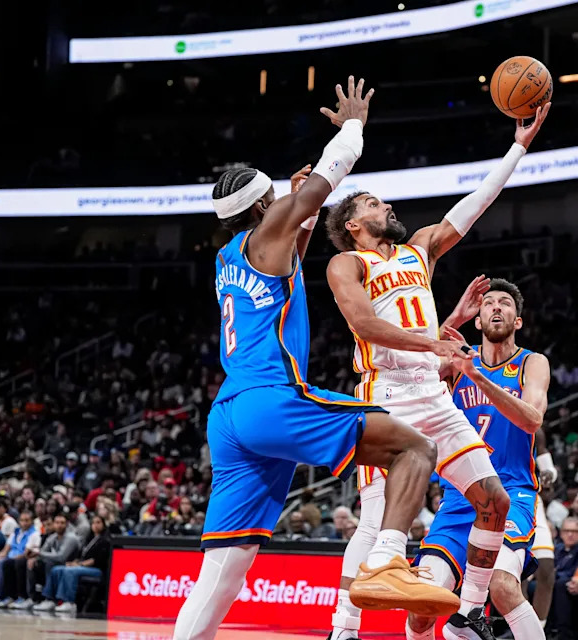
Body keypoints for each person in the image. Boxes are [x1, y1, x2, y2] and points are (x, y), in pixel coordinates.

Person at [173, 77, 459, 640]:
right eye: (275, 195)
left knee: (225, 569)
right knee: (416, 449)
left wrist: (301, 219)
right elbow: (333, 169)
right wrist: (352, 126)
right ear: (262, 203)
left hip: (229, 416)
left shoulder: (233, 253)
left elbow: (287, 254)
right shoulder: (270, 228)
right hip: (269, 398)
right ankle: (387, 564)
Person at [325, 103, 550, 640]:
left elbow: (474, 206)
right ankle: (343, 629)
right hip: (386, 396)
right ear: (355, 222)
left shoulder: (418, 251)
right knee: (376, 518)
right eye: (376, 202)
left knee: (493, 502)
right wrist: (434, 341)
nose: (389, 205)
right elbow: (365, 324)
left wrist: (518, 146)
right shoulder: (348, 263)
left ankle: (470, 609)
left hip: (433, 392)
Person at [404, 278, 552, 640]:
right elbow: (410, 367)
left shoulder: (532, 363)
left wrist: (480, 379)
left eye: (505, 303)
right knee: (423, 605)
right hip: (459, 496)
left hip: (512, 491)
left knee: (501, 585)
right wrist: (453, 317)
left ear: (518, 320)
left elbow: (533, 419)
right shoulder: (457, 363)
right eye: (489, 303)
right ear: (478, 319)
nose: (496, 307)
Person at [33, 515, 111, 614]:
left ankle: (68, 601)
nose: (95, 525)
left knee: (69, 571)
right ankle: (50, 599)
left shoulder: (105, 541)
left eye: (98, 522)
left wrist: (80, 565)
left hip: (97, 570)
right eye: (93, 523)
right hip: (83, 566)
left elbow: (97, 560)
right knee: (57, 569)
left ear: (104, 525)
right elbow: (82, 556)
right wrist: (75, 562)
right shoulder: (90, 539)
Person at [0, 510, 40, 608]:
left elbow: (26, 554)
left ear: (31, 521)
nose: (24, 523)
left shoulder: (34, 534)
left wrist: (5, 559)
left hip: (20, 559)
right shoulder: (15, 532)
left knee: (4, 563)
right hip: (8, 558)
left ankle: (0, 596)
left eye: (27, 520)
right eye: (22, 520)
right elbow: (5, 550)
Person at [529, 427, 558, 629]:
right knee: (516, 571)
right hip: (504, 499)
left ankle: (539, 629)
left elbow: (548, 468)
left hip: (531, 500)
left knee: (547, 570)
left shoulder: (535, 430)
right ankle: (520, 629)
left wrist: (549, 474)